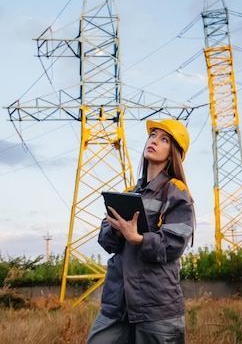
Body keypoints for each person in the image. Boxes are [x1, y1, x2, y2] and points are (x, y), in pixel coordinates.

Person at [86, 119, 195, 344]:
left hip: (156, 305)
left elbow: (174, 244)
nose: (154, 141)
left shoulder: (176, 192)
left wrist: (138, 238)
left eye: (164, 139)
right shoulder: (128, 193)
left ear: (172, 152)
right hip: (117, 304)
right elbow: (106, 237)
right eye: (152, 135)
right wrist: (118, 232)